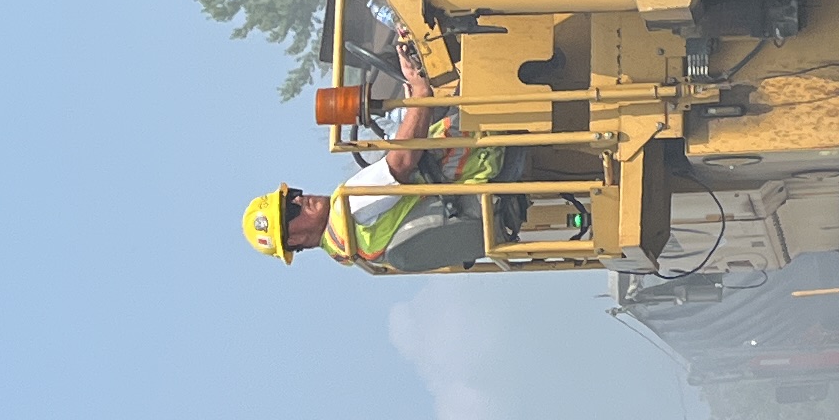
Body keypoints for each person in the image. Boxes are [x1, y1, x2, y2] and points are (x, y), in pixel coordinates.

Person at [239, 144, 590, 276]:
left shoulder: (358, 254)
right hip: (480, 157)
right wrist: (420, 91)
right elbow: (403, 161)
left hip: (492, 206)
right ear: (296, 239)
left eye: (293, 196)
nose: (299, 200)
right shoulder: (350, 206)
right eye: (290, 211)